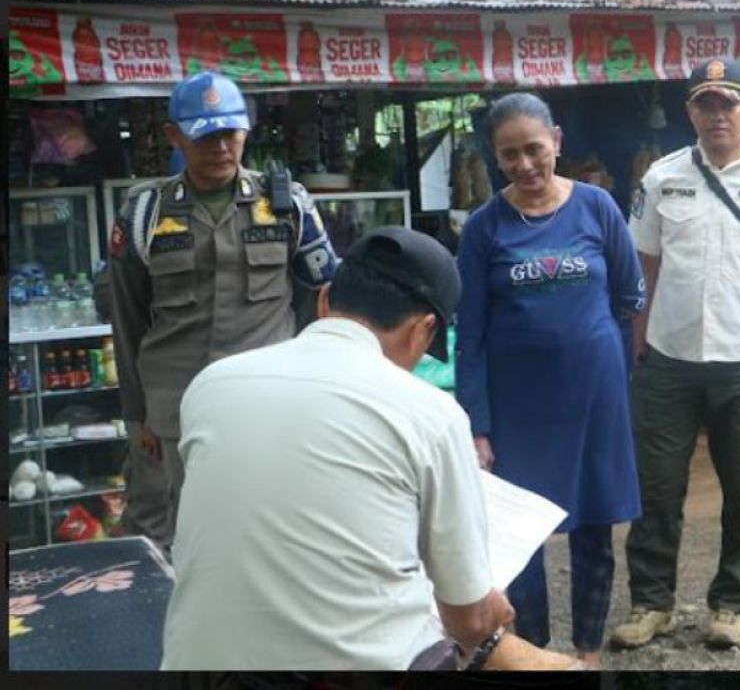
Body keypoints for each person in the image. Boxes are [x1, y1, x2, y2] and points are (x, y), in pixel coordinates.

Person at [163, 227, 581, 670]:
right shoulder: (432, 414)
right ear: (424, 330)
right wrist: (489, 609)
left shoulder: (211, 385)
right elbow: (470, 623)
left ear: (325, 301)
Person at [612, 57, 740, 651]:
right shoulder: (660, 179)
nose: (717, 113)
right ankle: (652, 604)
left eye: (729, 102)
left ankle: (730, 605)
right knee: (656, 489)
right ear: (689, 111)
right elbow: (643, 267)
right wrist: (637, 346)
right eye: (705, 103)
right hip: (669, 360)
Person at [108, 71, 338, 551]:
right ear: (175, 136)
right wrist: (139, 415)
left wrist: (319, 388)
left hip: (269, 402)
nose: (219, 148)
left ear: (245, 131)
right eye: (204, 136)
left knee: (273, 525)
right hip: (177, 407)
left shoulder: (287, 206)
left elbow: (323, 301)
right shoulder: (142, 213)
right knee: (187, 531)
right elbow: (127, 318)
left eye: (229, 134)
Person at [455, 92, 645, 668]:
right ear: (495, 156)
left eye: (535, 149)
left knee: (594, 526)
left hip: (594, 401)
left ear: (556, 140)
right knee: (521, 537)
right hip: (520, 410)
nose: (525, 165)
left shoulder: (597, 207)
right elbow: (471, 336)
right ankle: (533, 654)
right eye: (509, 155)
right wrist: (478, 426)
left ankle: (586, 653)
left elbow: (627, 294)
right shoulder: (484, 229)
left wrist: (601, 361)